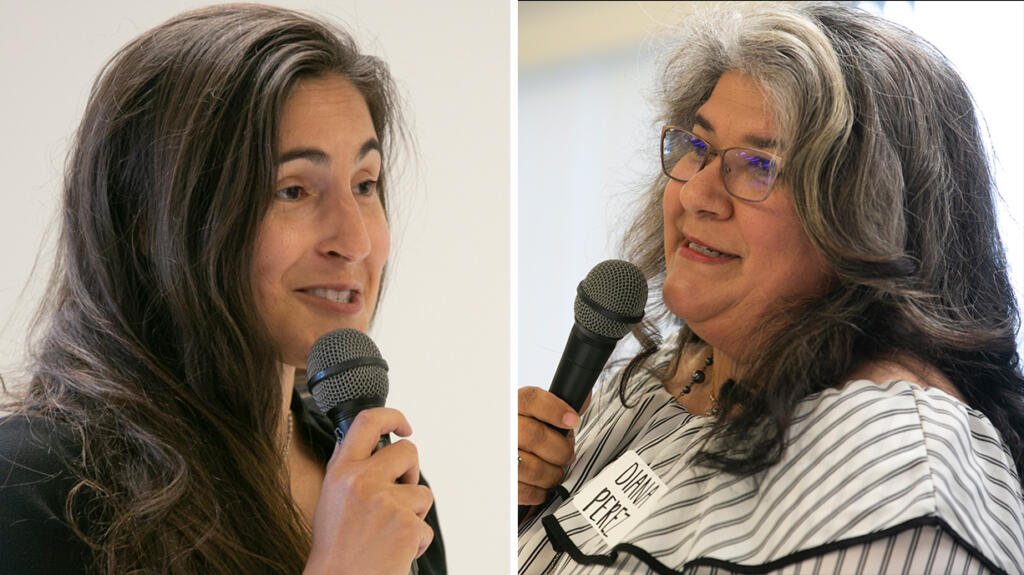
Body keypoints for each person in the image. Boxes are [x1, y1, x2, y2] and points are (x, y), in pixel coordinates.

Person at [518, 3, 1024, 574]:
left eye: (758, 165)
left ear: (872, 219)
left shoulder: (898, 470)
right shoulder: (653, 387)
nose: (696, 195)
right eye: (699, 148)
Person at [0, 5, 445, 574]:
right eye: (292, 191)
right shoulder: (32, 487)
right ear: (149, 221)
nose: (354, 240)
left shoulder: (384, 488)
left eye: (364, 184)